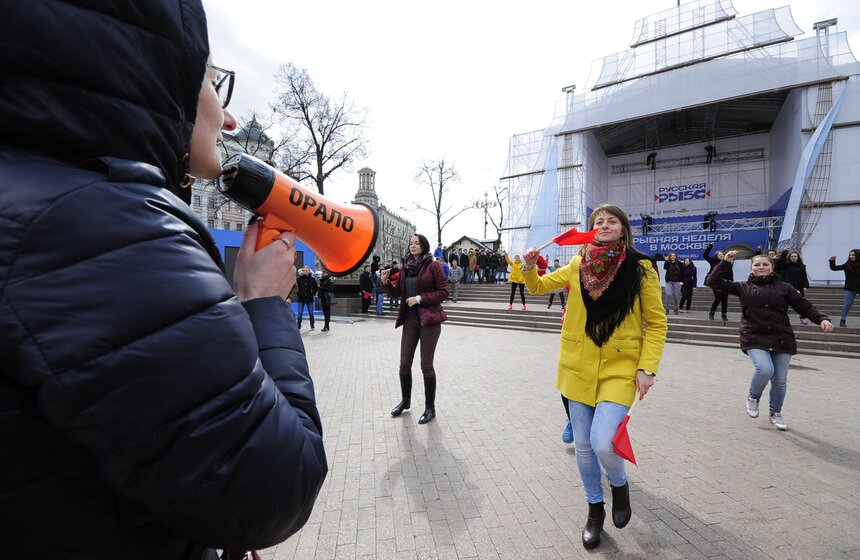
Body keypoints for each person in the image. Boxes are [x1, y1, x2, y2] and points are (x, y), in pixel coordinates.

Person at [0, 3, 327, 557]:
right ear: (155, 71)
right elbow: (272, 487)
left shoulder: (37, 191)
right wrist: (264, 303)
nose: (226, 119)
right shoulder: (107, 228)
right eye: (210, 82)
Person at [522, 203, 667, 550]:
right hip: (577, 364)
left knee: (604, 442)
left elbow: (657, 322)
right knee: (584, 446)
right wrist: (527, 266)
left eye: (611, 220)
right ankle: (594, 510)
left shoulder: (642, 268)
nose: (603, 224)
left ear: (623, 228)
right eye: (598, 221)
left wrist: (647, 369)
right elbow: (539, 287)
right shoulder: (578, 263)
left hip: (620, 366)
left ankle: (618, 484)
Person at [707, 252, 833, 430]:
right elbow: (713, 282)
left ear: (772, 267)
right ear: (751, 268)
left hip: (781, 337)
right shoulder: (743, 287)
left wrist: (822, 319)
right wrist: (725, 262)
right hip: (754, 335)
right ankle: (753, 397)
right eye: (757, 265)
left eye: (765, 264)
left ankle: (775, 413)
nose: (761, 267)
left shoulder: (784, 288)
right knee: (765, 370)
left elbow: (804, 305)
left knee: (780, 379)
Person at [382, 234, 449, 424]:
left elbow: (444, 291)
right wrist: (386, 282)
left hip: (429, 320)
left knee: (425, 365)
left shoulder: (433, 266)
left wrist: (420, 298)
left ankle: (430, 408)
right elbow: (398, 293)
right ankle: (405, 401)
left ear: (424, 245)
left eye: (416, 243)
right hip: (410, 321)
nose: (413, 246)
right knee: (404, 363)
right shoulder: (405, 267)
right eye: (411, 243)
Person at [776, 249, 810, 324]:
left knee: (801, 303)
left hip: (799, 286)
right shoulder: (786, 265)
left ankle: (802, 317)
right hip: (787, 286)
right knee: (784, 303)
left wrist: (805, 286)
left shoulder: (802, 266)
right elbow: (780, 261)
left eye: (795, 256)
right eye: (792, 256)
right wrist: (785, 252)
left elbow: (804, 276)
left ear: (798, 257)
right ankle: (781, 317)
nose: (793, 257)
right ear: (789, 257)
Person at [829, 249, 860, 327]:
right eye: (850, 255)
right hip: (850, 287)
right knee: (847, 304)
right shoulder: (847, 264)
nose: (851, 256)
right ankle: (842, 320)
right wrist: (832, 261)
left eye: (853, 255)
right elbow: (834, 268)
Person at [704, 243, 731, 321]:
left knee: (725, 299)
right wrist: (710, 246)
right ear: (716, 256)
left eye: (722, 254)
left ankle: (724, 315)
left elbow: (730, 273)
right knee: (718, 298)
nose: (721, 255)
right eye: (719, 254)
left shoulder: (727, 262)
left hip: (725, 282)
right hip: (716, 283)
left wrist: (730, 282)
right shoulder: (713, 261)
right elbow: (705, 256)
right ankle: (712, 313)